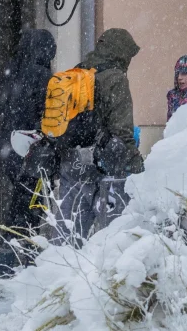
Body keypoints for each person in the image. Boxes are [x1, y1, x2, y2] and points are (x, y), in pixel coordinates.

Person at [57, 28, 144, 243]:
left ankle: (58, 271)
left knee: (68, 231)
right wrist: (136, 167)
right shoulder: (115, 78)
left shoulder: (78, 72)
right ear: (121, 52)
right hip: (102, 162)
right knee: (112, 234)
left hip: (72, 160)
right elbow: (121, 131)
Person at [0, 29, 56, 276]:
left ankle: (9, 259)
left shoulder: (13, 73)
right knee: (31, 205)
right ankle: (19, 262)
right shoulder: (42, 76)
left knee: (20, 203)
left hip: (9, 147)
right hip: (31, 151)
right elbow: (47, 114)